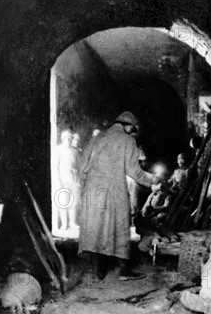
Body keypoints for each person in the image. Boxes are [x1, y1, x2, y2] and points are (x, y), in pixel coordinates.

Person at [78, 112, 155, 280]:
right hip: (113, 188)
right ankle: (122, 271)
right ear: (128, 127)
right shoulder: (127, 140)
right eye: (132, 130)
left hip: (93, 188)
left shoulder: (98, 138)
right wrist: (152, 182)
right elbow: (134, 171)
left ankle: (97, 271)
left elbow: (82, 165)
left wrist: (85, 187)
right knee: (119, 226)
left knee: (95, 228)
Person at [53, 129, 80, 230]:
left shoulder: (74, 151)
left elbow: (78, 166)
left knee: (73, 203)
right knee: (63, 202)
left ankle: (72, 223)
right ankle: (64, 224)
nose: (68, 141)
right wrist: (57, 180)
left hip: (73, 179)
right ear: (62, 139)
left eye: (70, 139)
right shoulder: (58, 150)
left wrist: (78, 180)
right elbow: (55, 167)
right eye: (66, 139)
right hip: (62, 180)